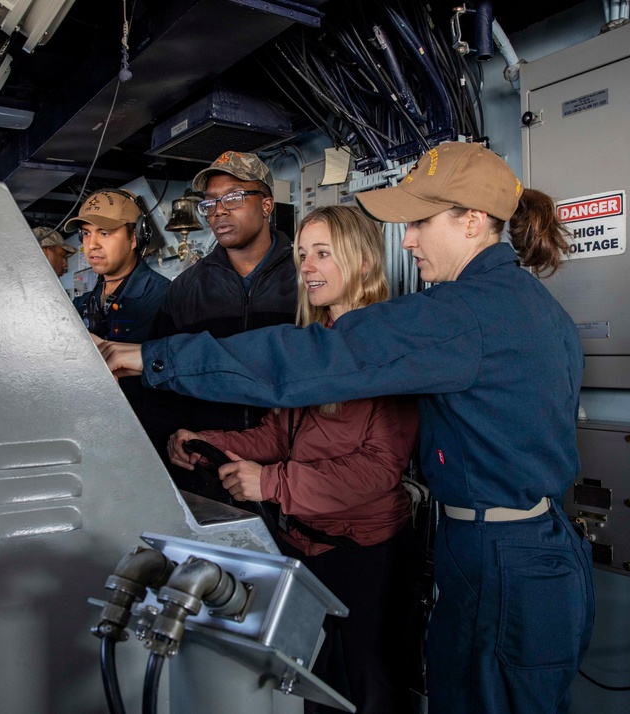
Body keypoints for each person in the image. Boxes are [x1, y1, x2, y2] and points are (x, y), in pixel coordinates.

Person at [104, 141, 596, 714]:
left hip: (502, 558)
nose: (407, 240)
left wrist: (148, 358)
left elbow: (309, 363)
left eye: (419, 222)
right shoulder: (526, 303)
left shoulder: (463, 313)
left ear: (472, 221)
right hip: (521, 547)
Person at [166, 205, 420, 713]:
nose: (305, 267)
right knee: (313, 679)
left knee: (369, 682)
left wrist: (273, 484)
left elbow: (378, 469)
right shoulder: (316, 342)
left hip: (365, 552)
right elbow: (281, 433)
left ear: (365, 262)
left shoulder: (392, 348)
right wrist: (210, 440)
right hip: (304, 543)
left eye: (322, 254)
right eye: (303, 254)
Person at [147, 151, 297, 502]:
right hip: (206, 466)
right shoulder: (186, 289)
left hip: (289, 467)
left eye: (232, 197)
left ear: (266, 205)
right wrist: (174, 443)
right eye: (209, 203)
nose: (218, 211)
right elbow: (161, 385)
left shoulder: (306, 279)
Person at [65, 189, 169, 344]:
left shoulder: (162, 297)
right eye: (86, 234)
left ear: (135, 237)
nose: (92, 245)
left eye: (104, 233)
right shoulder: (83, 303)